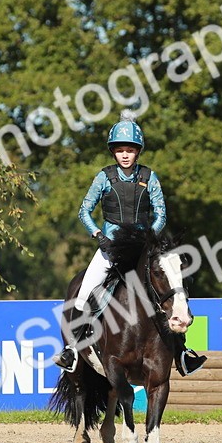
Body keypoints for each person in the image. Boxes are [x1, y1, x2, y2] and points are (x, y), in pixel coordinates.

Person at [53, 111, 207, 377]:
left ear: (138, 152)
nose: (125, 154)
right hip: (110, 247)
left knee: (172, 291)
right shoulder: (104, 177)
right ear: (114, 152)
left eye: (131, 150)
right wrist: (97, 235)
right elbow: (84, 211)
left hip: (142, 250)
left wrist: (149, 237)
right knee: (84, 293)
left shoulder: (150, 177)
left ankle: (182, 353)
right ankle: (73, 351)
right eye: (120, 150)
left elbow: (161, 214)